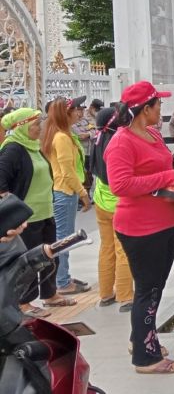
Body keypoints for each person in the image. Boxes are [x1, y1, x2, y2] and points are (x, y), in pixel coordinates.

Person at [105, 81, 174, 374]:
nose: (161, 109)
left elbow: (163, 167)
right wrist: (169, 176)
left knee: (154, 288)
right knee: (147, 291)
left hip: (164, 221)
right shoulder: (121, 142)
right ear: (144, 109)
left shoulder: (153, 134)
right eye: (158, 104)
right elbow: (120, 185)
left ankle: (141, 338)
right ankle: (146, 358)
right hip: (141, 228)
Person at [0, 108, 68, 314]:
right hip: (26, 219)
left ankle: (50, 294)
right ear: (22, 127)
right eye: (36, 124)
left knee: (50, 256)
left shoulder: (33, 146)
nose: (40, 128)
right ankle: (23, 303)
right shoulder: (13, 149)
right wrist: (12, 208)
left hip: (45, 212)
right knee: (28, 261)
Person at [41, 97, 91, 297]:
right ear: (65, 113)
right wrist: (83, 193)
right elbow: (68, 172)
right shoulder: (61, 137)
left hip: (65, 192)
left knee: (64, 237)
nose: (80, 112)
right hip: (66, 192)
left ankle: (64, 277)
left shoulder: (63, 134)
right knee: (64, 239)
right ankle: (62, 281)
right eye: (76, 109)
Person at [90, 107, 134, 312]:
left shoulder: (97, 140)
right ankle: (126, 297)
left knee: (106, 248)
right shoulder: (117, 143)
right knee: (123, 249)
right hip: (118, 203)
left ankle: (106, 294)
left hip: (101, 201)